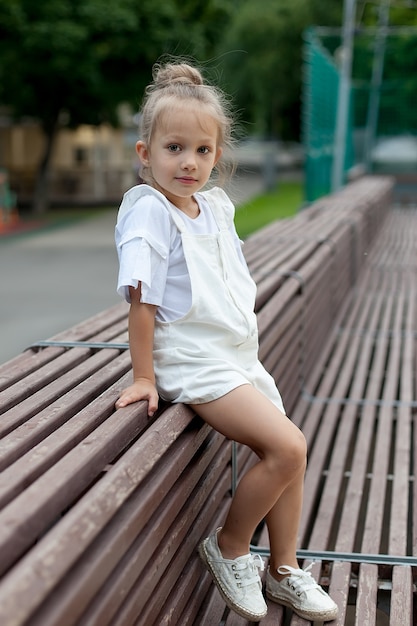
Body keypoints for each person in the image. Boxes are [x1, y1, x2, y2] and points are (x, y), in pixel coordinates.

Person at [114, 59, 338, 623]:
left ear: (218, 154)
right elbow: (142, 299)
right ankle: (232, 545)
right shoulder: (149, 210)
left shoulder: (214, 205)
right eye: (174, 148)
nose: (189, 162)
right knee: (287, 448)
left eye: (202, 151)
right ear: (146, 154)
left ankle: (283, 569)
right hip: (190, 359)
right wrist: (144, 376)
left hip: (234, 355)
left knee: (291, 447)